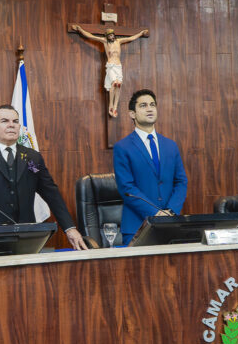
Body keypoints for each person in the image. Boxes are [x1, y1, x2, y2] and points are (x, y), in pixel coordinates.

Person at [0, 104, 88, 250]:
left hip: (26, 237)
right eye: (5, 121)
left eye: (15, 121)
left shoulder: (32, 158)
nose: (11, 125)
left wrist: (69, 228)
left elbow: (51, 193)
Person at [113, 89, 188, 245]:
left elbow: (181, 181)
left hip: (171, 224)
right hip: (137, 226)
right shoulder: (123, 147)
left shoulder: (170, 145)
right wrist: (155, 213)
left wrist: (171, 212)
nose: (149, 109)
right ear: (132, 114)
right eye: (143, 105)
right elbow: (127, 189)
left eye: (153, 105)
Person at [71, 24, 148, 117]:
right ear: (107, 37)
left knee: (118, 85)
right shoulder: (104, 42)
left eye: (112, 35)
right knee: (114, 83)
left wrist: (141, 33)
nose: (111, 37)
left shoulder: (119, 41)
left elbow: (131, 38)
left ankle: (114, 107)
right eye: (109, 36)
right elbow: (90, 36)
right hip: (111, 66)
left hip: (118, 66)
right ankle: (110, 105)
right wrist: (80, 29)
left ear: (114, 35)